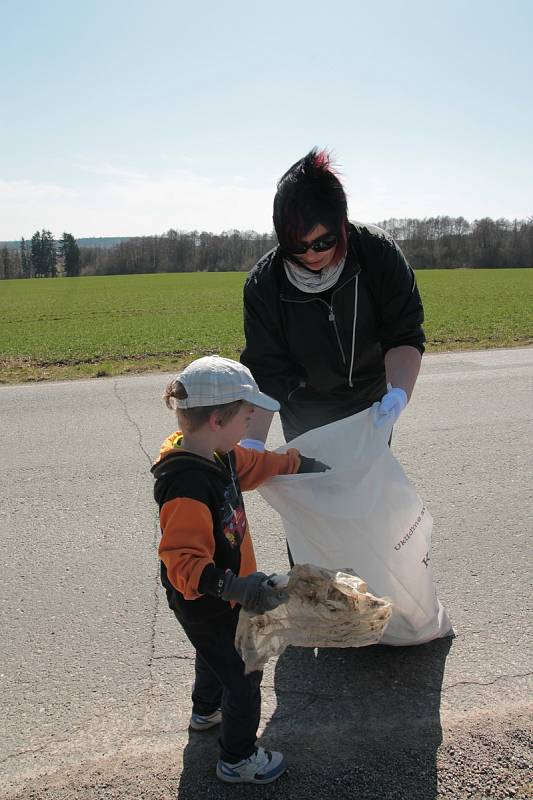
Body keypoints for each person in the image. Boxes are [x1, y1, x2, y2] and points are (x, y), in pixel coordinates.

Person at [151, 355, 328, 785]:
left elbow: (254, 466)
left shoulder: (218, 454)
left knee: (213, 655)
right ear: (216, 419)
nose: (253, 421)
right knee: (245, 672)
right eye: (247, 414)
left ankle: (204, 712)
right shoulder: (188, 485)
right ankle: (237, 758)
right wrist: (239, 589)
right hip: (209, 598)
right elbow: (184, 564)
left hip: (221, 598)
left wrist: (294, 464)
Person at [240, 148, 425, 448]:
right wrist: (253, 444)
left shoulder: (377, 254)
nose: (311, 254)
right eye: (297, 246)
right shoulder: (264, 285)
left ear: (341, 226)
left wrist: (398, 394)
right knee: (316, 492)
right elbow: (266, 370)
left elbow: (403, 333)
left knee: (366, 491)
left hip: (371, 407)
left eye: (323, 242)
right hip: (305, 415)